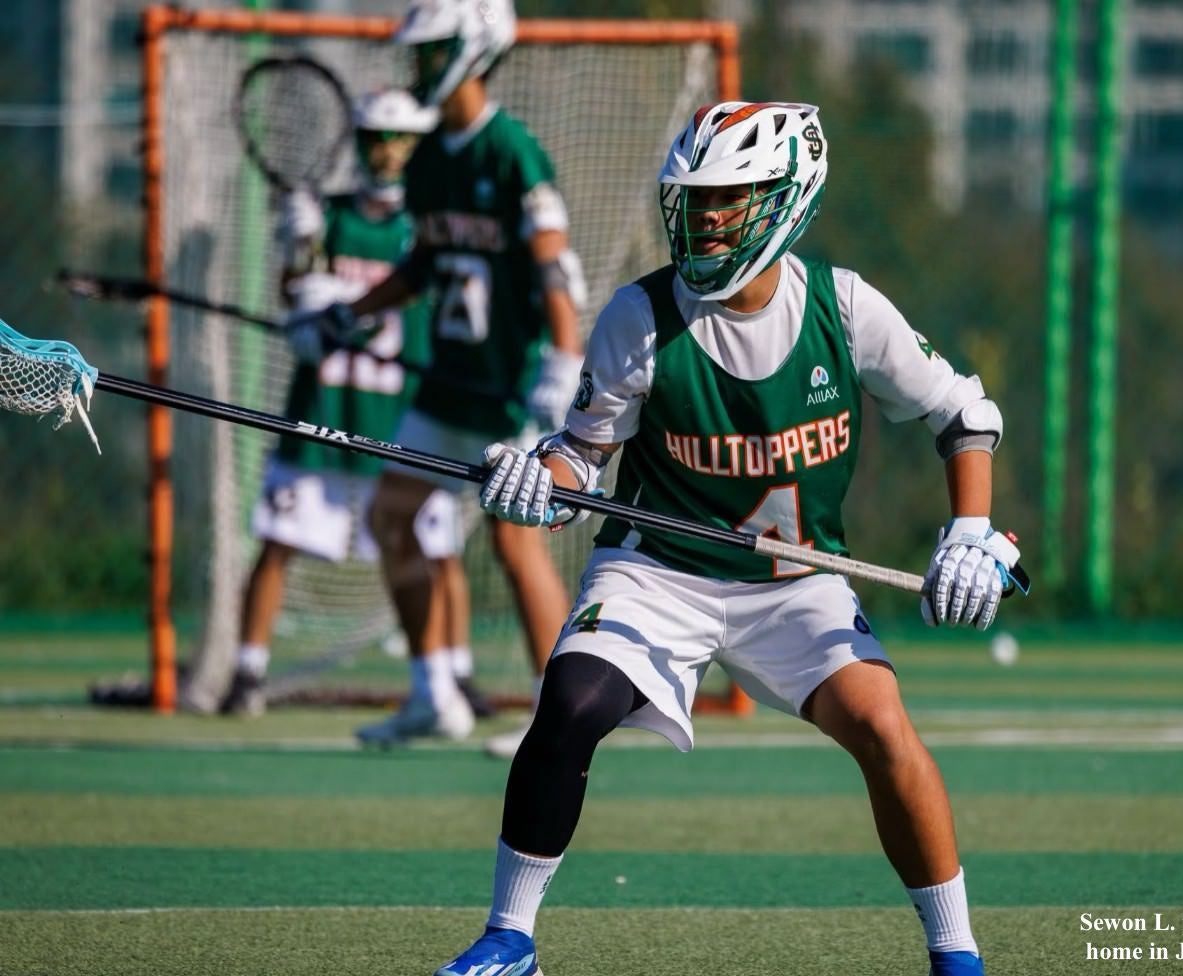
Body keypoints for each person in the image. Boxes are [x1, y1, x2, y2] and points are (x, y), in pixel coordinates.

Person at [435, 102, 1022, 976]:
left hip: (797, 583)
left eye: (728, 197)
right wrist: (537, 482)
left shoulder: (843, 306)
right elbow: (581, 461)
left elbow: (964, 414)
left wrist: (972, 531)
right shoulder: (640, 318)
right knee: (570, 705)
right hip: (657, 571)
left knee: (884, 728)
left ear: (785, 197)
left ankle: (958, 957)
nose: (704, 216)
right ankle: (509, 938)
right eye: (695, 198)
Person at [304, 0, 586, 751]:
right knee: (391, 515)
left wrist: (564, 361)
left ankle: (558, 715)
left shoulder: (511, 152)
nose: (420, 67)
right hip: (448, 381)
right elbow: (423, 264)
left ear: (475, 47)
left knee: (515, 540)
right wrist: (351, 312)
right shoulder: (429, 158)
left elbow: (557, 267)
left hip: (512, 384)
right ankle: (434, 693)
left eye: (433, 52)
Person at [219, 88, 437, 717]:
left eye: (399, 140)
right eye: (374, 138)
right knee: (277, 542)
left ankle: (447, 676)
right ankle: (247, 673)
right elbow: (296, 306)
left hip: (399, 423)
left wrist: (335, 294)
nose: (387, 151)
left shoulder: (423, 229)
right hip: (320, 414)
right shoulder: (328, 217)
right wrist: (300, 257)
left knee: (431, 554)